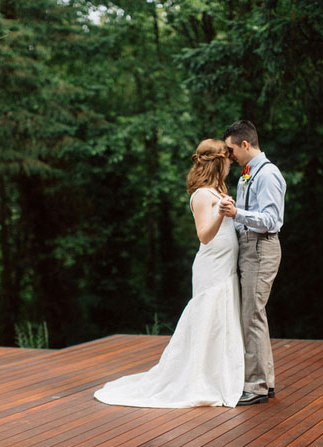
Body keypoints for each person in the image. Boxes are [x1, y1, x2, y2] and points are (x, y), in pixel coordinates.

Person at [94, 139, 244, 408]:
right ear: (218, 162)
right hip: (212, 267)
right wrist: (222, 215)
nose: (232, 164)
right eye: (228, 159)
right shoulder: (201, 195)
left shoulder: (217, 192)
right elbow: (204, 236)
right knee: (208, 317)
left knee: (222, 320)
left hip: (226, 267)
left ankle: (221, 374)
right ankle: (198, 378)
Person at [219, 120, 286, 406]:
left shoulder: (267, 174)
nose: (230, 156)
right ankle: (264, 382)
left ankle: (256, 386)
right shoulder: (249, 173)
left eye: (232, 149)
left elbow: (271, 221)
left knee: (252, 315)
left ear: (245, 144)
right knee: (254, 315)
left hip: (261, 247)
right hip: (250, 248)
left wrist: (237, 214)